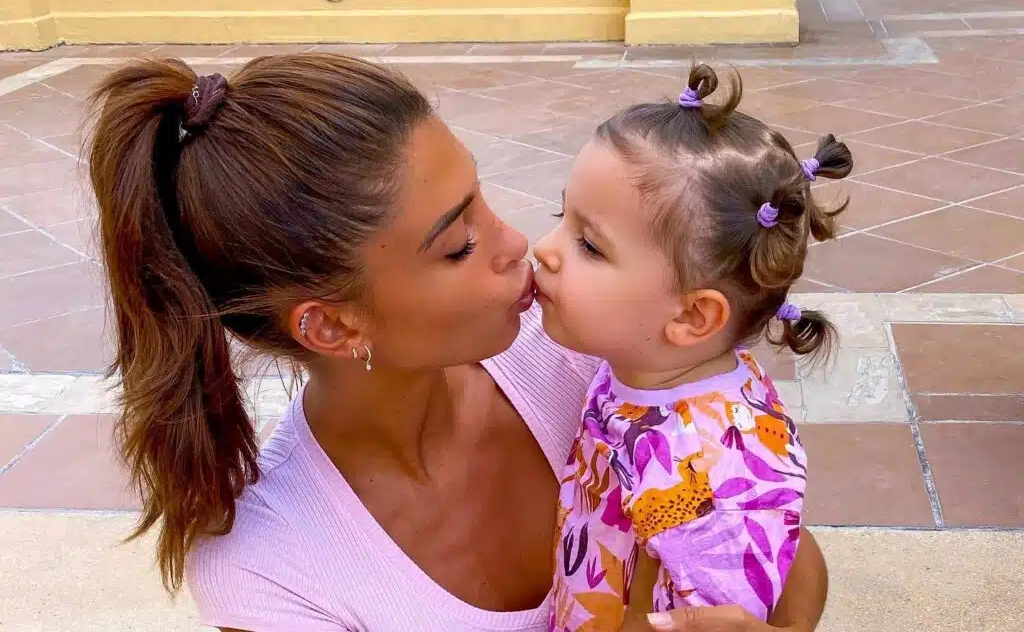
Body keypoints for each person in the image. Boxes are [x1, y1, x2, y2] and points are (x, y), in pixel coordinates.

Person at [85, 53, 829, 632]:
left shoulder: (588, 347)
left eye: (483, 201)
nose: (521, 246)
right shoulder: (273, 568)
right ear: (333, 325)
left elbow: (774, 543)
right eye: (459, 244)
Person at [531, 64, 852, 632]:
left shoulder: (706, 473)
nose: (544, 249)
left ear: (691, 316)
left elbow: (730, 612)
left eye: (590, 245)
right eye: (563, 217)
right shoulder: (648, 367)